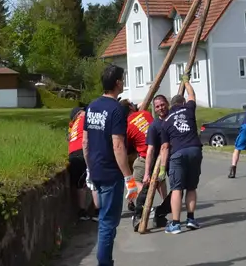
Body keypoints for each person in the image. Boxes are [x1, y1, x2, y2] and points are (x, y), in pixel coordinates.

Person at [85, 65, 138, 266]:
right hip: (110, 172)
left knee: (104, 219)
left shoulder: (91, 106)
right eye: (122, 79)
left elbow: (85, 142)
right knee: (108, 223)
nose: (123, 82)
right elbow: (118, 145)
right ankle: (104, 263)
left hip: (96, 169)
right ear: (117, 83)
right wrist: (128, 177)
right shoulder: (116, 109)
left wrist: (89, 168)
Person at [160, 81, 204, 233]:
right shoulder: (189, 109)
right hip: (195, 150)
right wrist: (186, 81)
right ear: (183, 102)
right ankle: (191, 219)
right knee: (191, 187)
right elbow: (192, 94)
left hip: (177, 153)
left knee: (177, 189)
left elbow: (165, 147)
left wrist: (161, 168)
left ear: (171, 106)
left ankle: (176, 224)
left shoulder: (165, 122)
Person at [133, 95, 170, 231]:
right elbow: (150, 150)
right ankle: (138, 217)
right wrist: (147, 173)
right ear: (155, 109)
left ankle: (160, 215)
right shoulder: (154, 126)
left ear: (167, 104)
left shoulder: (173, 119)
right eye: (158, 106)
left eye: (163, 105)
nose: (161, 108)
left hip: (172, 160)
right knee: (146, 190)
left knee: (177, 191)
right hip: (156, 162)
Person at [68, 106, 95, 220]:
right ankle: (97, 211)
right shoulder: (85, 118)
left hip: (72, 154)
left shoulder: (73, 125)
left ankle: (82, 212)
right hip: (82, 151)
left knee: (80, 184)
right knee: (92, 180)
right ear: (79, 113)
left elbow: (68, 138)